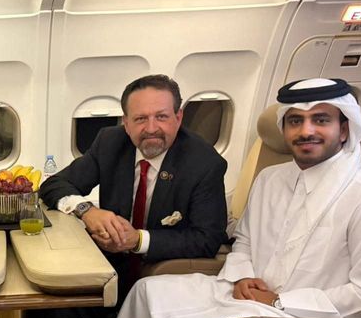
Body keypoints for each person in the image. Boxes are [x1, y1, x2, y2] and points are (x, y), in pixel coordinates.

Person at [98, 78, 361, 318]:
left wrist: (281, 301)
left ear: (344, 129)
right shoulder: (271, 179)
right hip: (251, 294)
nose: (307, 131)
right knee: (147, 291)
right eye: (295, 121)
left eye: (321, 120)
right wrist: (241, 276)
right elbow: (245, 241)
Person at [40, 74, 229, 303]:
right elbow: (53, 185)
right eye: (140, 119)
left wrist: (138, 240)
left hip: (165, 272)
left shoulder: (204, 164)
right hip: (110, 262)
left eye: (161, 117)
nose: (151, 128)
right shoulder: (110, 143)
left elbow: (207, 239)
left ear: (178, 118)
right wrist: (86, 210)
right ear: (126, 123)